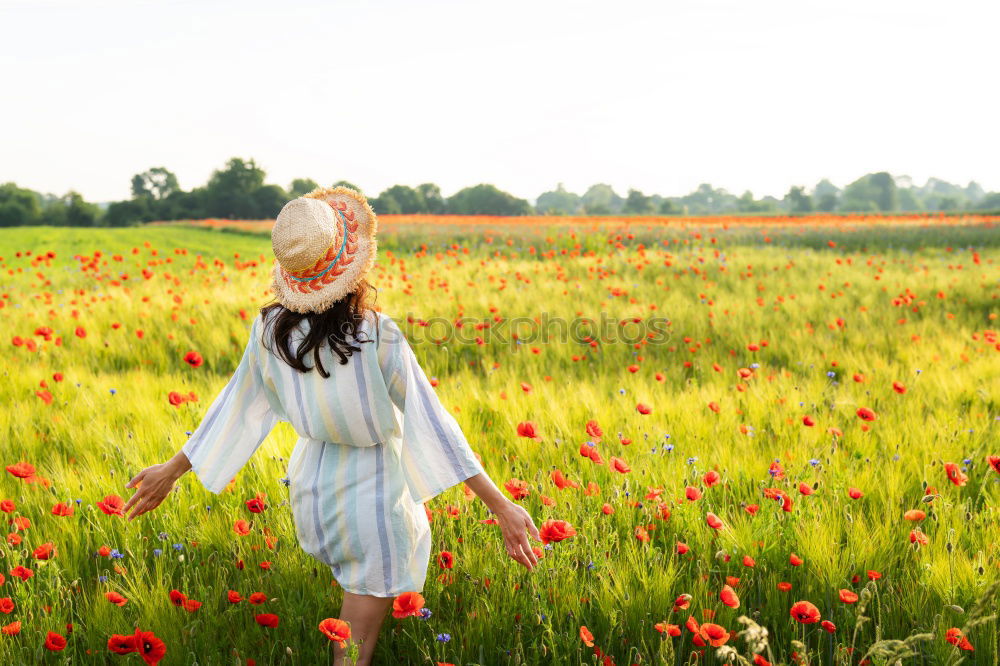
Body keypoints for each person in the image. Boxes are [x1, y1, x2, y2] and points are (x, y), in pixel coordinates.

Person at [122, 186, 541, 666]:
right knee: (352, 656)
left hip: (313, 491)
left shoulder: (270, 329)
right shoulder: (375, 334)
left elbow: (233, 407)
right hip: (374, 499)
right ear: (350, 262)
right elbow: (434, 425)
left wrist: (172, 470)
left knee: (349, 636)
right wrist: (501, 506)